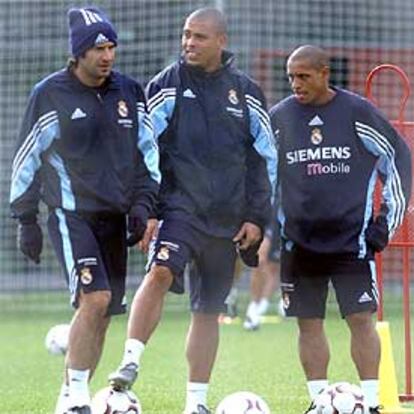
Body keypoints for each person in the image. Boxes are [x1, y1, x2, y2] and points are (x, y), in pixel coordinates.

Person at [108, 7, 277, 414]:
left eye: (199, 36)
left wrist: (257, 217)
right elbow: (144, 148)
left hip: (228, 220)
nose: (189, 43)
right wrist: (146, 208)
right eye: (186, 35)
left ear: (221, 41)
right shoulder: (167, 83)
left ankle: (195, 404)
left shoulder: (247, 92)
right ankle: (130, 359)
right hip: (179, 207)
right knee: (161, 270)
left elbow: (265, 159)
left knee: (207, 310)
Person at [9, 7, 160, 414]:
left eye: (111, 46)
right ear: (77, 54)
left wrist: (144, 204)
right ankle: (77, 399)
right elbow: (28, 158)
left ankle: (68, 396)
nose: (107, 55)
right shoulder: (49, 93)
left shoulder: (130, 91)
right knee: (94, 299)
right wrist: (26, 219)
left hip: (116, 217)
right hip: (70, 214)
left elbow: (148, 154)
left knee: (105, 309)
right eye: (98, 48)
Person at [269, 45, 412, 413]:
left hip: (353, 243)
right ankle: (319, 402)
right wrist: (265, 227)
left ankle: (373, 402)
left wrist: (385, 223)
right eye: (290, 77)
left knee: (362, 319)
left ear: (324, 73)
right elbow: (261, 175)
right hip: (298, 244)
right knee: (308, 323)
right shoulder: (280, 119)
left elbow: (397, 158)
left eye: (303, 76)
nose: (295, 84)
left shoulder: (356, 113)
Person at [243, 217, 283, 331]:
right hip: (261, 218)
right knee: (259, 261)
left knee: (273, 268)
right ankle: (254, 307)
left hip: (279, 221)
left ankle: (261, 307)